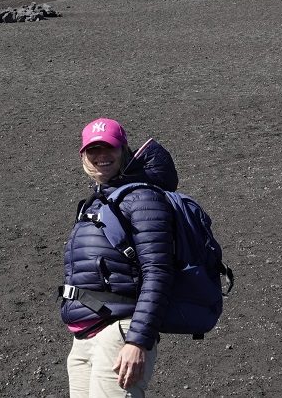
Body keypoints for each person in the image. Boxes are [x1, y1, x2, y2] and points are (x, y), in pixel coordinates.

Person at [59, 118, 177, 397]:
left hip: (120, 331)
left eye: (109, 148)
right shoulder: (100, 200)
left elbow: (158, 270)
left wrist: (137, 341)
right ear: (83, 156)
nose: (101, 156)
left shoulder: (143, 197)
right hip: (86, 335)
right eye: (93, 150)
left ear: (124, 151)